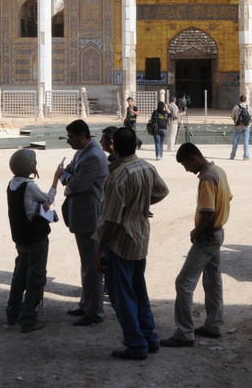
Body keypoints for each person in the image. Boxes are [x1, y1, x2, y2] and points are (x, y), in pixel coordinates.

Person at [95, 127, 169, 360]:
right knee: (139, 292)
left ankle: (136, 344)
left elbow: (112, 220)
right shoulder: (146, 166)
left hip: (120, 243)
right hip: (140, 239)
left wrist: (100, 249)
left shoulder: (118, 176)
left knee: (123, 297)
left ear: (114, 146)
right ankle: (149, 338)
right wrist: (140, 207)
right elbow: (162, 191)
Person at [160, 143, 233, 348]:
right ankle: (214, 325)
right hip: (217, 233)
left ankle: (184, 332)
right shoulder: (218, 171)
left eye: (185, 165)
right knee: (213, 280)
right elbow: (228, 197)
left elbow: (208, 211)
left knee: (183, 282)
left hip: (207, 237)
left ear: (193, 158)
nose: (186, 170)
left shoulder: (207, 178)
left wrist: (196, 231)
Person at [54, 120, 109, 326]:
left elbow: (75, 184)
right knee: (87, 263)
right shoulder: (83, 152)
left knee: (92, 265)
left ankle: (94, 312)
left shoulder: (93, 156)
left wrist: (64, 178)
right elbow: (69, 172)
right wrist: (69, 176)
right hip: (83, 214)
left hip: (90, 216)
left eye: (71, 137)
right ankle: (87, 305)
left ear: (81, 136)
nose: (69, 141)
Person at [6, 148, 60, 333]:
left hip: (21, 238)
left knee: (19, 275)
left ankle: (12, 313)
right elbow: (49, 199)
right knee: (36, 277)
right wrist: (56, 179)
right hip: (35, 238)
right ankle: (28, 318)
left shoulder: (12, 185)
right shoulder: (29, 186)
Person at [229, 95, 252, 161]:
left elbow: (232, 116)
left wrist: (236, 122)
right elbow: (251, 117)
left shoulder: (236, 107)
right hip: (246, 126)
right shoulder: (249, 108)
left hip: (238, 126)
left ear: (240, 100)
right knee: (246, 141)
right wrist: (248, 123)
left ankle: (232, 156)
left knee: (235, 141)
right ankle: (246, 156)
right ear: (245, 100)